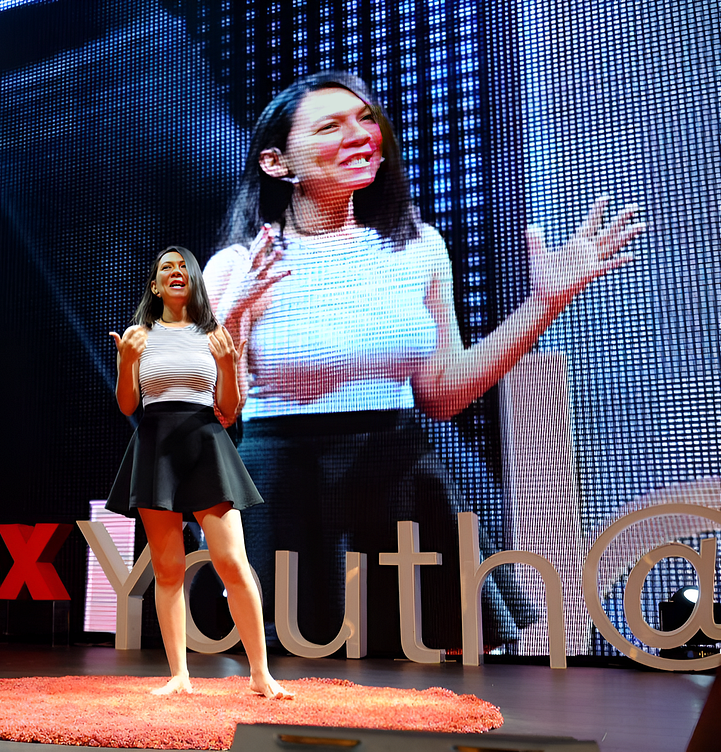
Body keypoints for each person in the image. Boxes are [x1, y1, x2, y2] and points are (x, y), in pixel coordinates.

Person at [203, 71, 646, 652]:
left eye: (367, 120)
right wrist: (232, 318)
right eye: (332, 126)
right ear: (276, 162)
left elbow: (441, 390)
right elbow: (213, 411)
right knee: (291, 680)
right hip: (288, 486)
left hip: (400, 474)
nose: (362, 135)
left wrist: (544, 305)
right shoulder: (237, 266)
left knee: (423, 684)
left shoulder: (418, 245)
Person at [106, 245, 291, 698]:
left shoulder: (215, 334)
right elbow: (128, 405)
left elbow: (228, 410)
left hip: (207, 442)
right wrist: (127, 361)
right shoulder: (138, 336)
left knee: (232, 561)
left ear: (193, 279)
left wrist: (227, 364)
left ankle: (261, 675)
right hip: (156, 446)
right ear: (155, 285)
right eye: (164, 267)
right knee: (168, 570)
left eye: (181, 266)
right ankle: (179, 675)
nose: (174, 272)